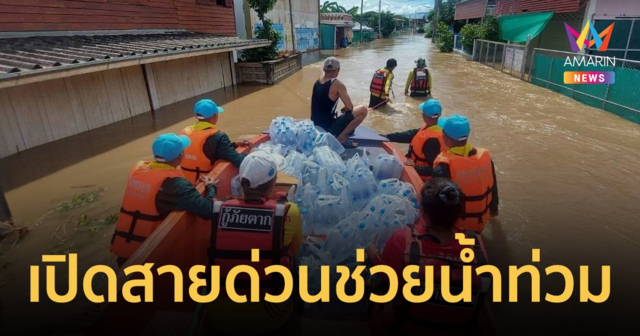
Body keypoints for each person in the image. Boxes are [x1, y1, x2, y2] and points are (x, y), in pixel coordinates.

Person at [366, 178, 488, 334]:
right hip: (456, 328)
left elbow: (380, 268)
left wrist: (368, 243)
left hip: (401, 326)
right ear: (459, 213)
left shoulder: (404, 239)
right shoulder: (476, 244)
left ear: (422, 211)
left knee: (374, 273)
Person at [206, 151, 303, 335]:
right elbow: (296, 249)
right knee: (291, 259)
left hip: (219, 315)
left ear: (242, 181)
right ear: (273, 182)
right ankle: (297, 316)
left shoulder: (219, 209)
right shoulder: (289, 212)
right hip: (271, 317)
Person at [110, 133, 219, 267]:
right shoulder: (175, 184)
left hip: (124, 251)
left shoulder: (137, 170)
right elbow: (207, 210)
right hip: (148, 255)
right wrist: (211, 186)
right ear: (180, 156)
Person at [433, 115, 499, 233]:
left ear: (445, 138)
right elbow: (493, 185)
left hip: (458, 226)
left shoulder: (443, 166)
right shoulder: (485, 157)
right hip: (481, 220)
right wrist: (494, 209)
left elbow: (438, 204)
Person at [180, 99, 250, 184]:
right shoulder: (218, 136)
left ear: (196, 116)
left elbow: (209, 150)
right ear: (215, 116)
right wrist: (253, 156)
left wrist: (234, 144)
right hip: (205, 184)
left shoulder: (184, 132)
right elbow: (237, 160)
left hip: (186, 183)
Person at [311, 57, 368, 149]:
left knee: (351, 130)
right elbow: (349, 107)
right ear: (338, 70)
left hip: (316, 124)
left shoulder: (317, 82)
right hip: (328, 128)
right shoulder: (338, 84)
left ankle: (340, 133)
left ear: (324, 69)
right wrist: (344, 110)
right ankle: (342, 138)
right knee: (363, 110)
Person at [384, 99, 446, 181]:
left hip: (422, 178)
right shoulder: (431, 128)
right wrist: (387, 137)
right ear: (439, 115)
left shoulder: (432, 141)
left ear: (423, 115)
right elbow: (408, 135)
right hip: (416, 170)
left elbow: (434, 169)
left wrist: (415, 167)